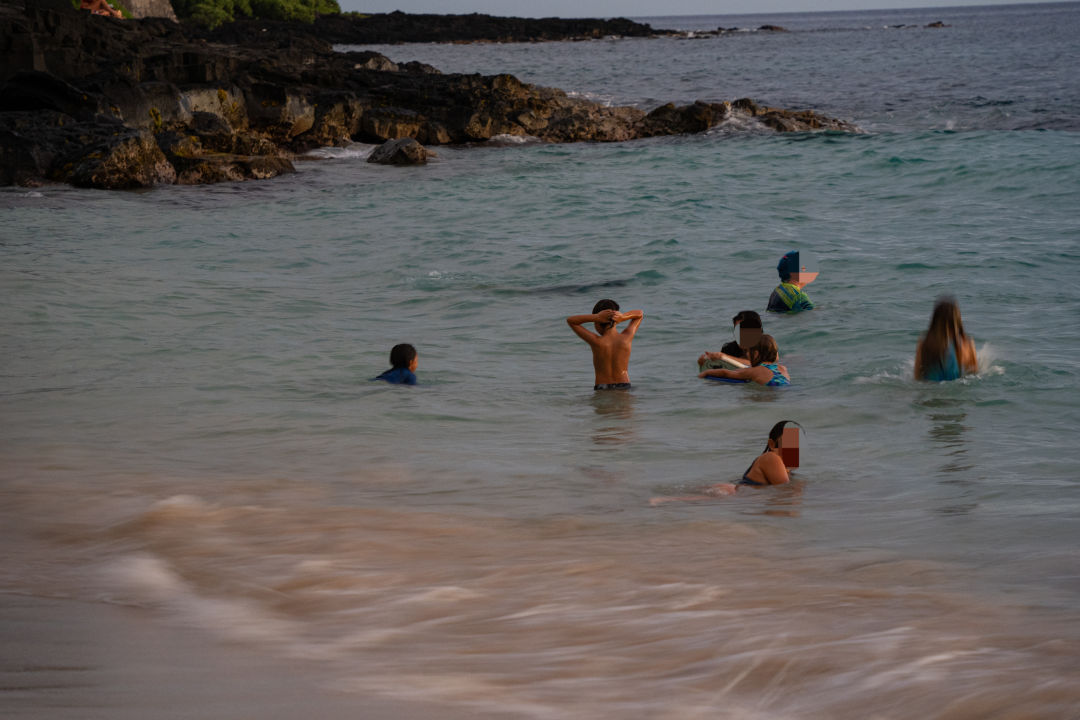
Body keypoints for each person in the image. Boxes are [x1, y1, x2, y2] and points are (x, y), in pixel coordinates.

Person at [649, 421, 801, 504]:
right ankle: (662, 499)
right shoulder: (772, 457)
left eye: (795, 444)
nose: (793, 449)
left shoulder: (779, 462)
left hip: (734, 488)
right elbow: (785, 490)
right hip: (735, 492)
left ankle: (660, 497)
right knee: (681, 500)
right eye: (789, 443)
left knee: (685, 496)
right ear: (772, 444)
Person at [566, 299, 644, 390]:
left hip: (602, 387)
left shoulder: (596, 341)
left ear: (597, 323)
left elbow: (571, 321)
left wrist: (596, 317)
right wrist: (623, 317)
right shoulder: (626, 338)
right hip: (624, 386)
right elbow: (640, 314)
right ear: (616, 320)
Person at [914, 296, 977, 382]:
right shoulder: (966, 344)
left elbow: (917, 377)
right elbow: (974, 374)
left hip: (930, 392)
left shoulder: (924, 343)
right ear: (957, 320)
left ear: (934, 320)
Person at [698, 334, 789, 386]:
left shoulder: (754, 371)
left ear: (756, 354)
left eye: (748, 351)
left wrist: (706, 372)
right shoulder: (783, 368)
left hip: (768, 395)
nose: (746, 354)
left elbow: (726, 373)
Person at [698, 310, 763, 371]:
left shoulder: (766, 347)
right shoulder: (729, 348)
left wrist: (725, 358)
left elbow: (764, 365)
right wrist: (704, 364)